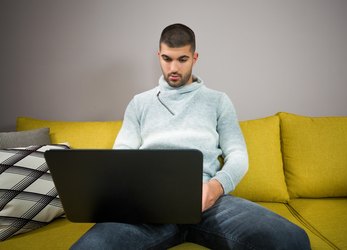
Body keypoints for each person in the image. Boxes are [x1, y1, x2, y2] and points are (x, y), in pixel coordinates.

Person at [71, 23, 310, 250]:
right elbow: (121, 155)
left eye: (182, 59)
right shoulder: (139, 103)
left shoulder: (218, 101)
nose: (174, 68)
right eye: (167, 59)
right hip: (149, 207)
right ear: (159, 56)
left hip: (209, 202)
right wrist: (136, 194)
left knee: (293, 240)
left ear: (194, 58)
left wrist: (215, 188)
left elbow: (238, 154)